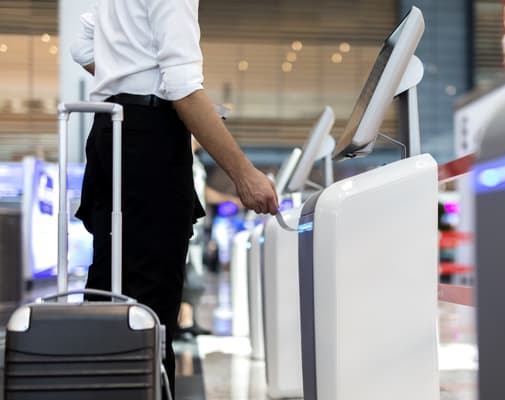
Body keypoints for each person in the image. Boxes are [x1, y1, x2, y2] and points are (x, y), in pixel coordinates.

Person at [70, 1, 279, 398]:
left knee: (110, 290)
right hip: (149, 140)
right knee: (149, 306)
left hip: (110, 131)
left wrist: (125, 82)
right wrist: (244, 174)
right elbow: (182, 88)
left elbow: (83, 46)